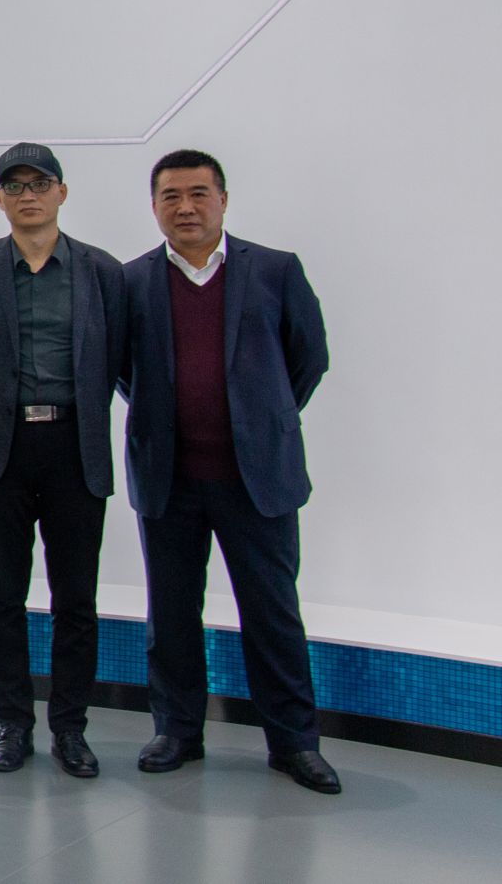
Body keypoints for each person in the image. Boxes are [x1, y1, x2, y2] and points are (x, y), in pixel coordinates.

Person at [120, 149, 338, 793]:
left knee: (273, 615)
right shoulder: (130, 281)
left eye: (198, 193)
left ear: (223, 199)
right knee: (171, 615)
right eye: (171, 196)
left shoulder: (274, 270)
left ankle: (294, 743)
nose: (185, 207)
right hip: (169, 479)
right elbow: (125, 372)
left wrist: (260, 419)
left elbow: (309, 356)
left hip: (257, 480)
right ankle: (177, 731)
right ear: (154, 206)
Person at [0, 143, 126, 778]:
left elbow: (121, 362)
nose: (28, 195)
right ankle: (13, 724)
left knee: (75, 599)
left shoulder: (103, 271)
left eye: (40, 183)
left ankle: (70, 729)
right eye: (15, 185)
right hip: (2, 450)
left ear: (62, 192)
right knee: (2, 597)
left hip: (76, 448)